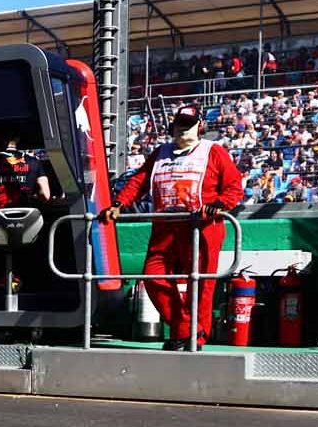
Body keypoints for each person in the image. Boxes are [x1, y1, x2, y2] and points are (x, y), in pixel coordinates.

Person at [100, 103, 245, 350]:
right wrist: (119, 203)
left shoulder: (214, 151)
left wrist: (218, 205)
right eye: (179, 125)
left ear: (200, 126)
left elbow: (234, 187)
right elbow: (139, 181)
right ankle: (185, 329)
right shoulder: (160, 152)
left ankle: (193, 338)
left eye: (188, 125)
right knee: (153, 275)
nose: (183, 130)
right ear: (172, 126)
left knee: (199, 285)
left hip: (201, 227)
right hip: (165, 227)